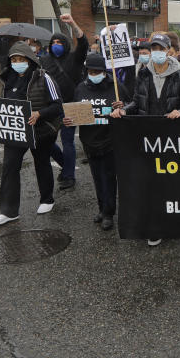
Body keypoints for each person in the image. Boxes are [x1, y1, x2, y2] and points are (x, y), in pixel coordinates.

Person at [111, 33, 180, 246]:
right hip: (147, 137)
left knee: (171, 181)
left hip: (172, 138)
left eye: (161, 48)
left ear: (169, 50)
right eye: (153, 48)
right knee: (149, 182)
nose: (156, 52)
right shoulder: (143, 72)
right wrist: (124, 111)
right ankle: (154, 225)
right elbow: (136, 103)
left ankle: (175, 220)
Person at [0, 41, 64, 226]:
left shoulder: (44, 77)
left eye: (21, 59)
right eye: (14, 59)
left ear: (29, 60)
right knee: (9, 168)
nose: (17, 62)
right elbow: (4, 107)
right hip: (16, 132)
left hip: (41, 130)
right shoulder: (7, 80)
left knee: (42, 163)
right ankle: (8, 211)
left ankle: (47, 199)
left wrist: (39, 114)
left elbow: (57, 105)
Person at [65, 53, 130, 231]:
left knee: (108, 178)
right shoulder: (80, 88)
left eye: (97, 71)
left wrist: (122, 107)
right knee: (97, 178)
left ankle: (109, 213)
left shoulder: (116, 87)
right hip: (89, 141)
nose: (94, 74)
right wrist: (69, 120)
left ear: (104, 71)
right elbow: (74, 111)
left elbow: (131, 106)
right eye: (90, 71)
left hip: (110, 140)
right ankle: (102, 209)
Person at [40, 14, 88, 190]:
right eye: (53, 43)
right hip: (51, 107)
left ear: (66, 45)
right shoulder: (44, 60)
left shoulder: (75, 58)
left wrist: (73, 23)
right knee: (46, 142)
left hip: (73, 105)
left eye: (59, 43)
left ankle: (69, 176)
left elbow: (83, 42)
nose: (56, 45)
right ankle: (65, 165)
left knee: (68, 141)